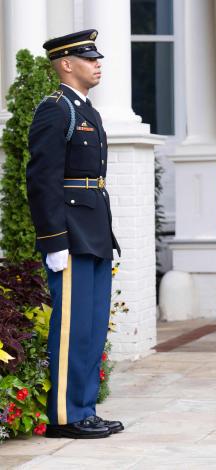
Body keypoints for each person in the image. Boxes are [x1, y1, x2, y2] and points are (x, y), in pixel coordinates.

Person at [26, 29, 123, 439]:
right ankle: (65, 415)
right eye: (89, 59)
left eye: (97, 58)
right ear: (66, 64)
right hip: (69, 235)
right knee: (71, 328)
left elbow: (92, 182)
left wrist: (109, 237)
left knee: (92, 326)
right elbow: (42, 179)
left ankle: (84, 408)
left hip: (94, 233)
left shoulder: (88, 112)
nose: (97, 64)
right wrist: (53, 241)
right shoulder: (55, 110)